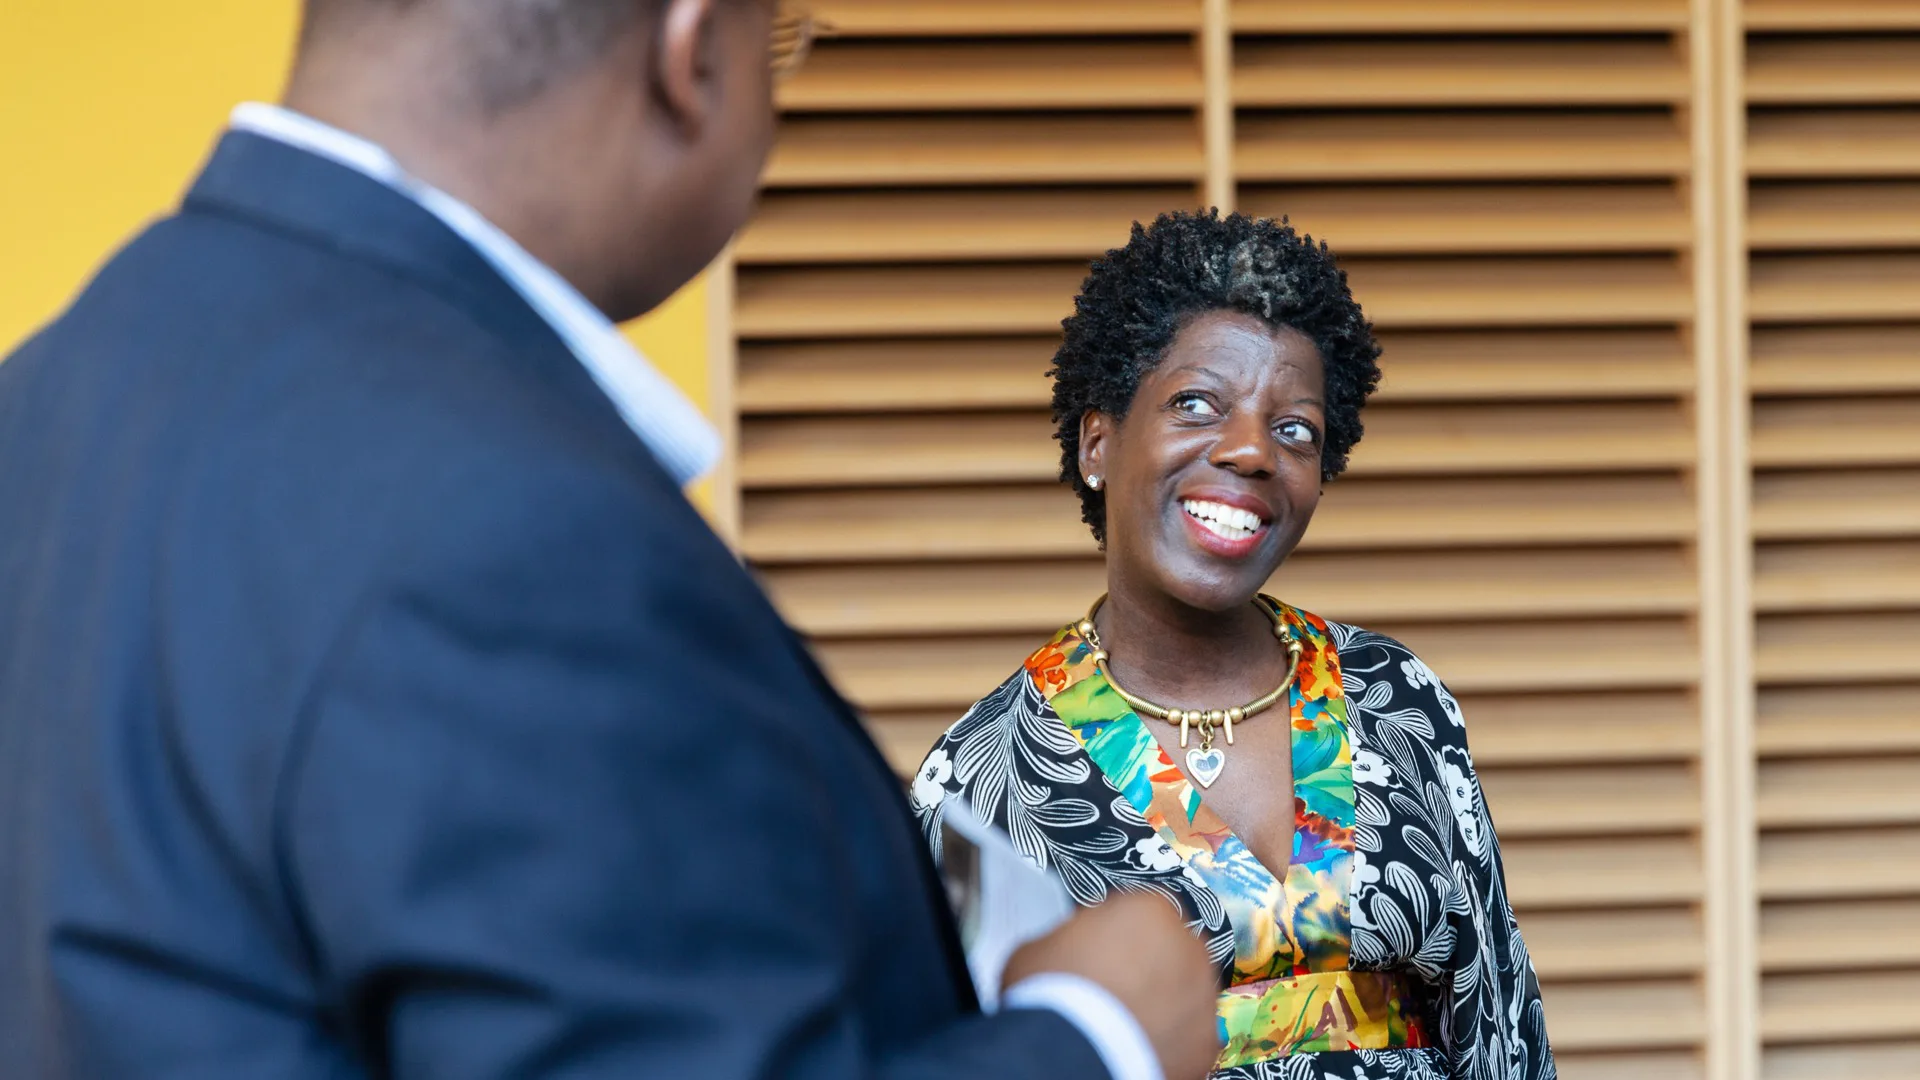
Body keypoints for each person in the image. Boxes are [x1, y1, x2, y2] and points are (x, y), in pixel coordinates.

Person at [0, 1, 1222, 1077]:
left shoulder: (52, 390)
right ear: (692, 56)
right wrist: (1095, 1039)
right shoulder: (514, 530)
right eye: (779, 40)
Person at [912, 211, 1556, 1080]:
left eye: (1295, 429)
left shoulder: (1395, 697)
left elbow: (1501, 1024)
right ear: (1098, 443)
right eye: (1196, 404)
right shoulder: (982, 779)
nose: (1252, 450)